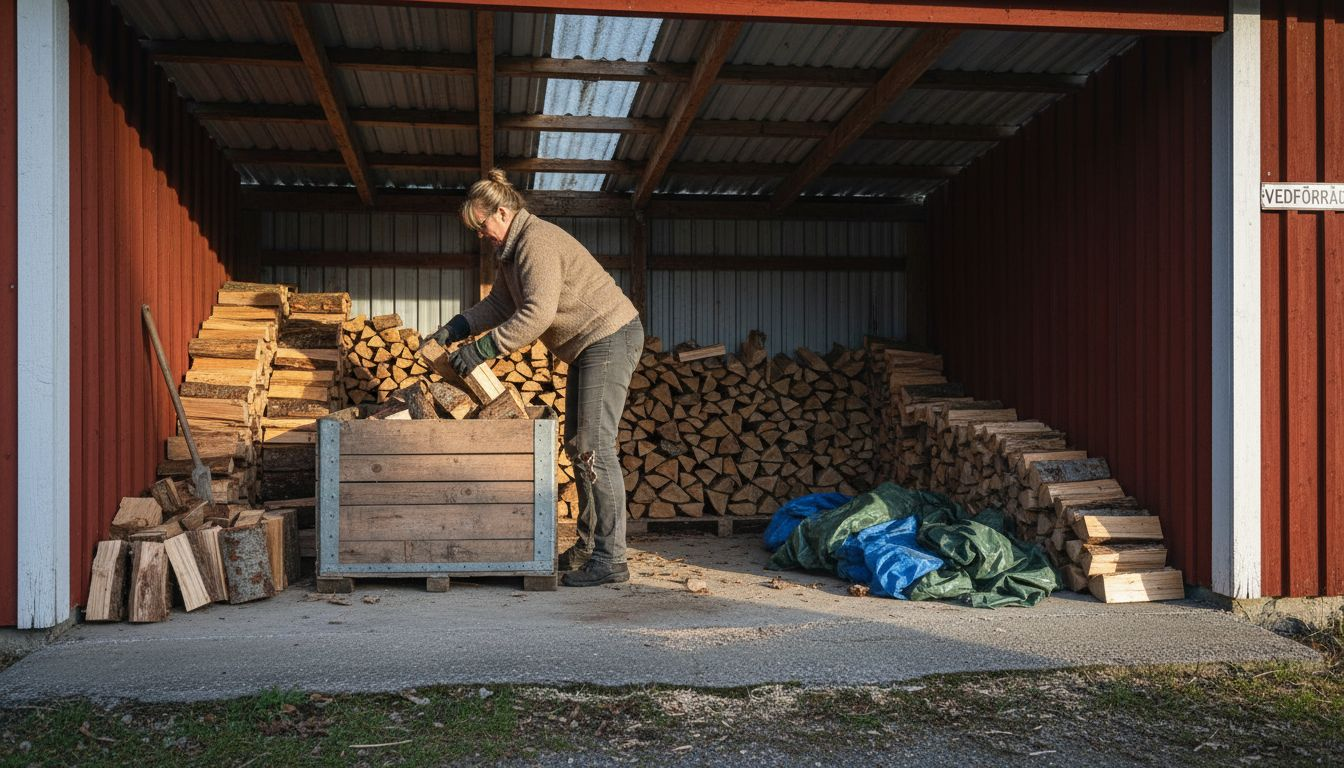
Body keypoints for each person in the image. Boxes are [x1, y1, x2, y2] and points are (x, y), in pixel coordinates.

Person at [429, 169, 644, 587]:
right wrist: (457, 328)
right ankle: (587, 548)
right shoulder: (509, 251)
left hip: (608, 336)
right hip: (587, 343)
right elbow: (499, 304)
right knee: (579, 444)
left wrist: (482, 350)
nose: (480, 234)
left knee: (595, 445)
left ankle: (611, 558)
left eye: (482, 225)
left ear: (503, 213)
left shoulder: (535, 242)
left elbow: (537, 314)